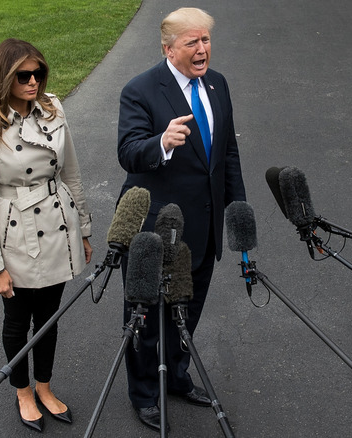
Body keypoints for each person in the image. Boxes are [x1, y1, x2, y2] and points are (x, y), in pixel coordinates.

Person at [116, 7, 246, 432]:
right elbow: (129, 152)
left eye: (206, 40)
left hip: (203, 227)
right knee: (147, 317)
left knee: (187, 311)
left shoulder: (217, 84)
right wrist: (162, 142)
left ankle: (175, 376)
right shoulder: (140, 90)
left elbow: (227, 154)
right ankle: (144, 395)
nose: (202, 48)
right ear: (169, 48)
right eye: (192, 42)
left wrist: (236, 214)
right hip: (156, 230)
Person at [0, 38, 93, 433]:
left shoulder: (53, 109)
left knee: (49, 317)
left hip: (58, 224)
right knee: (17, 319)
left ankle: (45, 386)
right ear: (4, 78)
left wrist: (84, 230)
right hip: (16, 236)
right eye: (24, 75)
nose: (34, 81)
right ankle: (23, 392)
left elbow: (70, 172)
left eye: (39, 73)